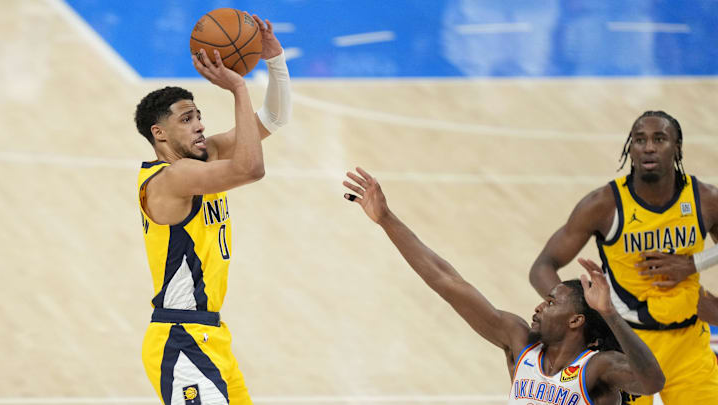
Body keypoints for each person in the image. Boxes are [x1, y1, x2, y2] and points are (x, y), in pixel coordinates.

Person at [343, 167, 664, 404]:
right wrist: (386, 218)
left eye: (552, 303)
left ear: (577, 320)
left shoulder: (597, 368)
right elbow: (446, 281)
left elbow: (652, 382)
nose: (538, 306)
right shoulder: (519, 342)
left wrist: (610, 314)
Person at [134, 16, 290, 405]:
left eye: (199, 115)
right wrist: (238, 87)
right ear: (160, 133)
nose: (201, 126)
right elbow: (251, 169)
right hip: (180, 339)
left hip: (211, 336)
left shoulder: (207, 158)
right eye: (188, 119)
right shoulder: (173, 178)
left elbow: (274, 119)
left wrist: (275, 60)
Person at [529, 111, 718, 404]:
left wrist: (695, 264)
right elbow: (542, 266)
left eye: (659, 138)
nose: (649, 147)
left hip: (688, 342)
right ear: (630, 149)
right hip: (629, 345)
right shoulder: (603, 205)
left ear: (677, 147)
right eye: (639, 139)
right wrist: (585, 317)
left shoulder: (704, 199)